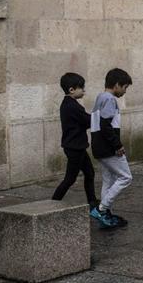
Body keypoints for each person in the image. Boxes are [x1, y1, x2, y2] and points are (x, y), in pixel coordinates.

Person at [90, 68, 134, 228]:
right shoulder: (110, 99)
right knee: (126, 177)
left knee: (108, 180)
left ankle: (105, 214)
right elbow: (106, 125)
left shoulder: (100, 97)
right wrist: (118, 145)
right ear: (116, 85)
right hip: (108, 147)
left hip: (98, 146)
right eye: (125, 87)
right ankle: (101, 209)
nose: (124, 91)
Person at [51, 72, 98, 210]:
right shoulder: (72, 106)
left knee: (89, 173)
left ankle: (92, 201)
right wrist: (99, 116)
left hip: (77, 146)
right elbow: (87, 121)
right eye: (81, 88)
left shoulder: (69, 104)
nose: (84, 90)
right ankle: (53, 203)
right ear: (71, 90)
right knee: (70, 178)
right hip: (74, 147)